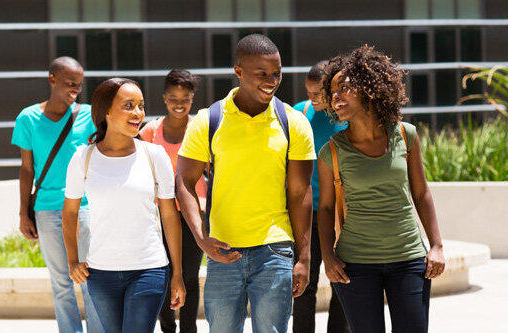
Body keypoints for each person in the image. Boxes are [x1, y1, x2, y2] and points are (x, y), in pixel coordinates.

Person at [176, 34, 316, 332]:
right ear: (238, 72)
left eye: (276, 73)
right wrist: (202, 239)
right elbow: (184, 182)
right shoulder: (208, 120)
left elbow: (300, 193)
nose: (271, 81)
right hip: (223, 251)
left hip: (275, 250)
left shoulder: (294, 123)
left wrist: (303, 257)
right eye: (262, 74)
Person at [316, 45, 446, 333]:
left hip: (409, 257)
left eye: (345, 88)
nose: (337, 97)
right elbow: (325, 208)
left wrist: (436, 245)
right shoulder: (332, 152)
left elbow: (421, 192)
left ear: (369, 87)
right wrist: (327, 256)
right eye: (333, 91)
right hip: (356, 264)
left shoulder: (405, 134)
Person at [62, 78, 186, 333]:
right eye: (128, 106)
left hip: (149, 269)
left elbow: (169, 215)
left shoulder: (154, 156)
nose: (138, 113)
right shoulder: (82, 158)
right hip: (101, 273)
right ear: (106, 111)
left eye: (140, 106)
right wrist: (73, 260)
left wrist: (177, 273)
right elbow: (70, 211)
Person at [11, 56, 102, 333]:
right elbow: (27, 169)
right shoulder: (28, 118)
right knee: (61, 282)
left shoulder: (88, 116)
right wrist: (23, 212)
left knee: (89, 278)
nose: (75, 89)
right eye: (69, 83)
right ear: (52, 80)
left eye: (78, 85)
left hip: (84, 207)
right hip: (47, 209)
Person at [139, 69, 207, 333]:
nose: (179, 104)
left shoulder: (200, 129)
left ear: (192, 99)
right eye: (173, 98)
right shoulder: (150, 132)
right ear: (164, 98)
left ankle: (189, 328)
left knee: (189, 276)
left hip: (193, 215)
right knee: (164, 275)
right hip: (159, 216)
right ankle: (167, 327)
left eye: (185, 99)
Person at [291, 59, 350, 333]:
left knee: (342, 282)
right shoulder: (298, 114)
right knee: (305, 283)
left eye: (318, 94)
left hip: (342, 215)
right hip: (307, 213)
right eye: (309, 92)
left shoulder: (347, 118)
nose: (312, 99)